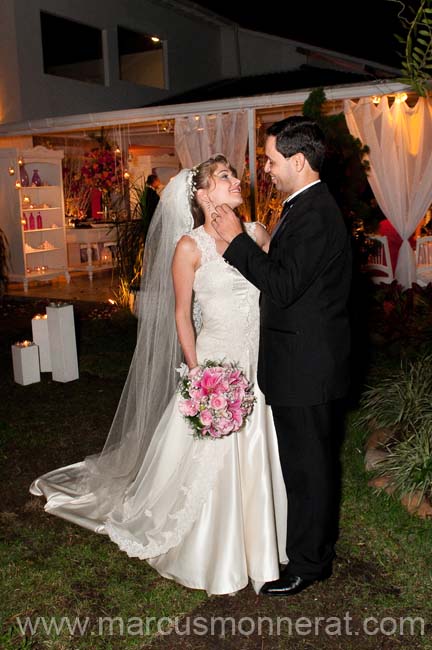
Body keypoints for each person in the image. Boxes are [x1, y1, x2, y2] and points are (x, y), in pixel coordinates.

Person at [30, 155, 288, 596]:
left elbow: (276, 293)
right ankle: (211, 549)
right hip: (215, 367)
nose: (236, 181)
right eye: (225, 177)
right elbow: (181, 315)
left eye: (234, 175)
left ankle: (262, 540)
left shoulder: (257, 233)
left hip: (256, 363)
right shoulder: (190, 247)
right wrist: (197, 378)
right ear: (203, 194)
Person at [212, 117, 352, 596]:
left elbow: (284, 285)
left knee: (309, 468)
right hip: (301, 363)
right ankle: (309, 552)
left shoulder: (314, 212)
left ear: (298, 161)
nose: (265, 170)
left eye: (271, 160)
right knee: (303, 465)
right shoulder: (302, 206)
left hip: (308, 367)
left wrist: (235, 242)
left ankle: (309, 565)